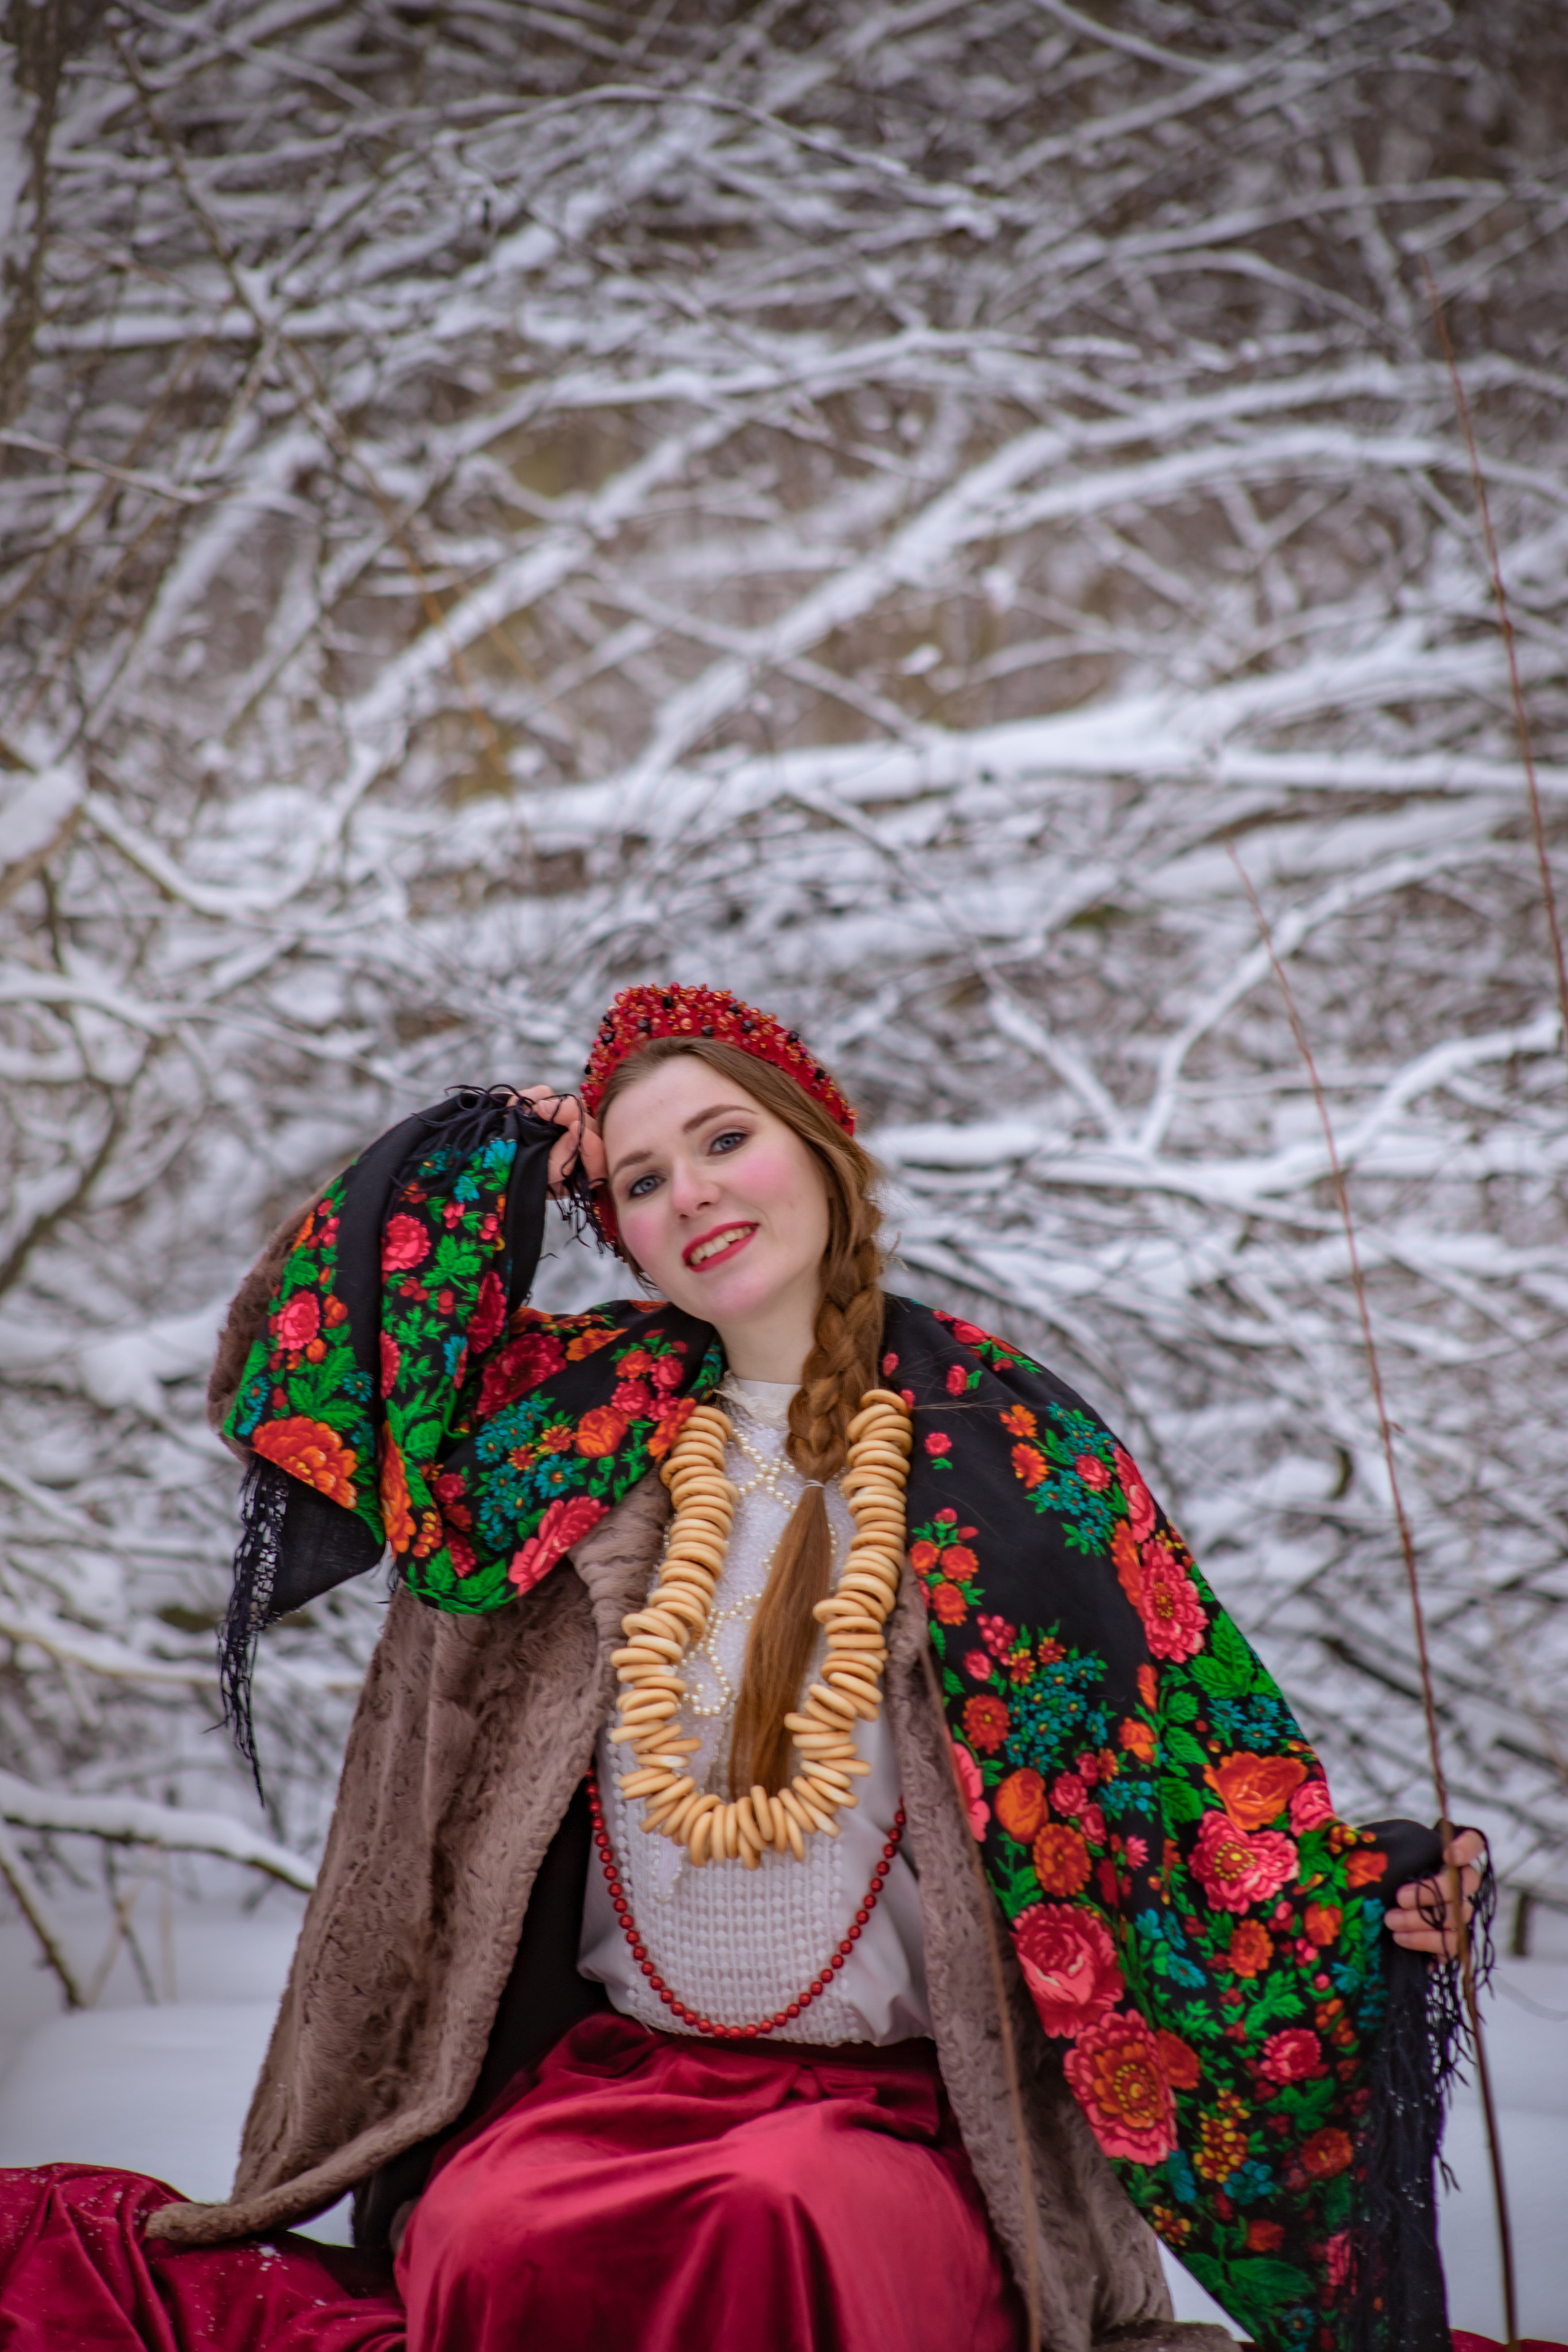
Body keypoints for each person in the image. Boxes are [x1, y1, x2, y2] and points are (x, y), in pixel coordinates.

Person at [0, 984, 1485, 2352]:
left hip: (902, 2121)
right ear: (616, 1229)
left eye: (724, 1139)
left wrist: (1364, 1900)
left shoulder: (1011, 1450)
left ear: (823, 1153)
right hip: (599, 2093)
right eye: (641, 1179)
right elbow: (309, 1365)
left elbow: (1171, 1775)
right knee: (502, 2238)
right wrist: (504, 1143)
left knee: (776, 2213)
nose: (691, 1192)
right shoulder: (567, 1434)